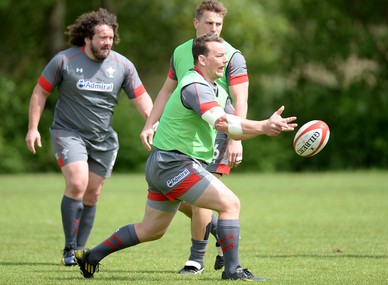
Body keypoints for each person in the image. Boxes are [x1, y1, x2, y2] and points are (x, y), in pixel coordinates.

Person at [75, 33, 297, 281]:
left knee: (151, 230)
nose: (226, 60)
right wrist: (263, 126)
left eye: (226, 55)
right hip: (174, 163)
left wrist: (265, 129)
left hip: (164, 164)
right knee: (230, 204)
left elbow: (235, 128)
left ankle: (91, 257)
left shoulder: (216, 90)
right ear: (202, 60)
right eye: (219, 56)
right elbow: (222, 122)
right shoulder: (194, 85)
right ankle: (232, 270)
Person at [24, 8, 153, 266]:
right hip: (68, 133)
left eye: (110, 37)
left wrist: (153, 124)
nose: (107, 42)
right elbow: (40, 92)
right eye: (102, 37)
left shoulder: (123, 66)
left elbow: (141, 98)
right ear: (87, 38)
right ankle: (69, 249)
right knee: (77, 183)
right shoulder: (64, 60)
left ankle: (80, 249)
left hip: (103, 139)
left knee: (92, 194)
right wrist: (33, 128)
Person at [140, 0, 248, 274]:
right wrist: (150, 123)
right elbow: (167, 90)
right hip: (182, 135)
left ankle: (195, 259)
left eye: (218, 24)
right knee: (185, 198)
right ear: (195, 23)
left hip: (217, 132)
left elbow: (240, 98)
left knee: (202, 198)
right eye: (209, 23)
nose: (213, 28)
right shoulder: (180, 51)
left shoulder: (232, 56)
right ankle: (221, 233)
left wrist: (237, 138)